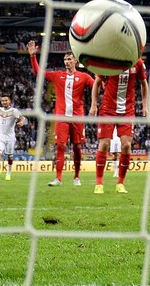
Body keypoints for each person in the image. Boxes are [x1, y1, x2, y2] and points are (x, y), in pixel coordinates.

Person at [27, 41, 95, 187]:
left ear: (75, 61)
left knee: (77, 147)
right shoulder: (58, 75)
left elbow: (97, 86)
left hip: (77, 117)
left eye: (70, 59)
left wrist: (100, 71)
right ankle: (58, 178)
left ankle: (76, 177)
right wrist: (33, 56)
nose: (67, 62)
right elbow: (38, 72)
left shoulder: (84, 77)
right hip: (61, 117)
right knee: (60, 146)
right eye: (65, 59)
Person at [89, 59, 148, 194]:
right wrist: (94, 104)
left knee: (126, 145)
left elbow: (144, 84)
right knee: (104, 144)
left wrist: (145, 106)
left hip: (127, 110)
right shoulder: (108, 59)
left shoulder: (138, 63)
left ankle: (120, 183)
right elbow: (97, 83)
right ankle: (99, 183)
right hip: (107, 109)